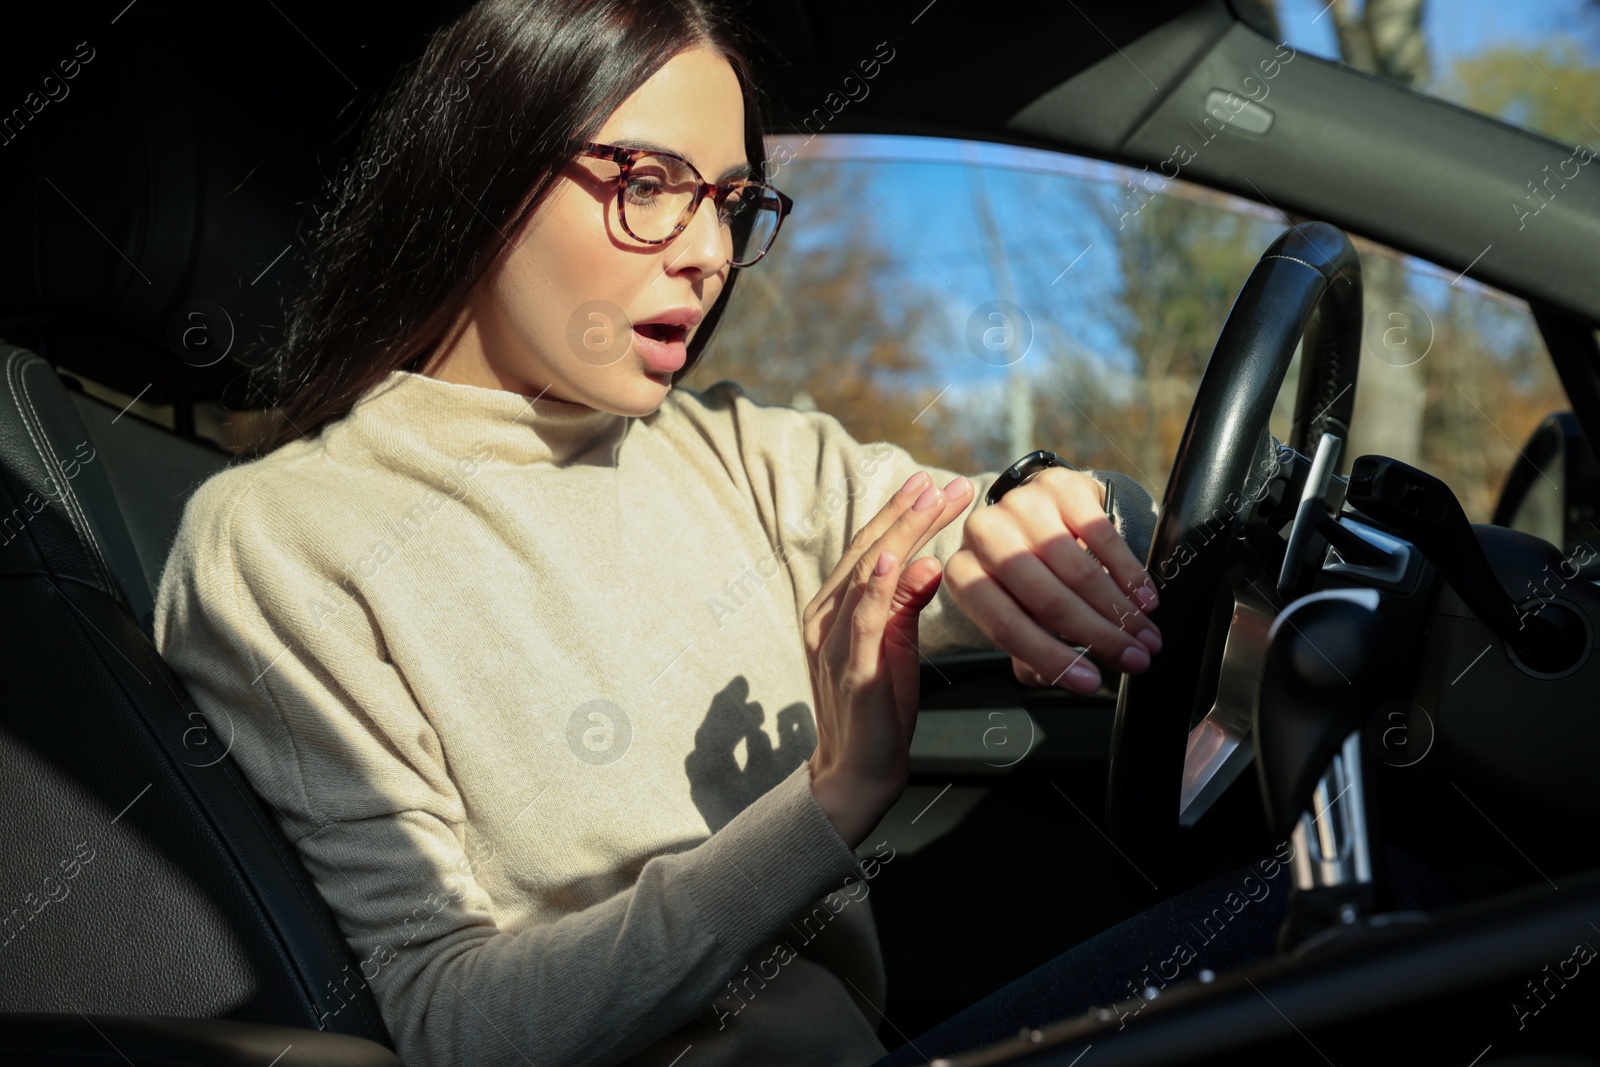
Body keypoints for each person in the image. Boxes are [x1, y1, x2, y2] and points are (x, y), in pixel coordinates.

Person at [153, 1, 1242, 1064]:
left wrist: (1049, 507)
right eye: (649, 186)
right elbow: (453, 1022)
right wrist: (829, 800)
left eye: (729, 201)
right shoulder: (281, 539)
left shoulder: (735, 453)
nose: (708, 253)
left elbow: (968, 525)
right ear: (482, 174)